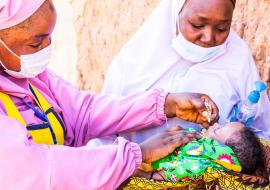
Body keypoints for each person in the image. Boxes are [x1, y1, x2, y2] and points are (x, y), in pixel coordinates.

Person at [0, 0, 220, 189]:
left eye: (49, 38)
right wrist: (136, 155)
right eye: (36, 43)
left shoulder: (31, 78)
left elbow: (83, 113)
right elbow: (34, 169)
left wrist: (165, 105)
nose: (46, 47)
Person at [102, 0, 270, 144]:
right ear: (176, 10)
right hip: (138, 176)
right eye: (197, 25)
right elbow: (103, 128)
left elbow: (260, 132)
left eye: (221, 28)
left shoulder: (237, 58)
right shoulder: (133, 61)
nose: (208, 37)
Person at [150, 122, 263, 181]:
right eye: (223, 124)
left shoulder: (202, 164)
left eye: (218, 130)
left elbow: (174, 172)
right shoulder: (203, 143)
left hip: (152, 166)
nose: (215, 124)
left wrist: (148, 175)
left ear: (220, 150)